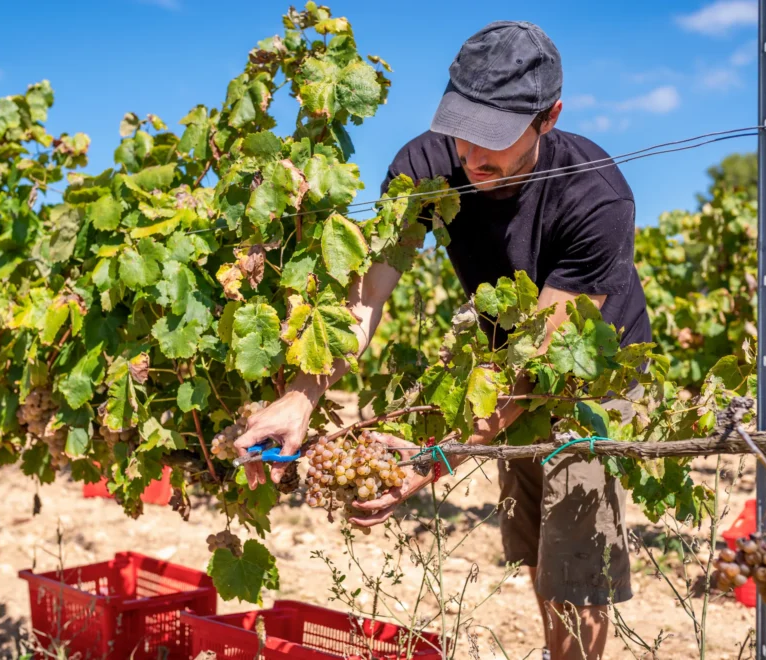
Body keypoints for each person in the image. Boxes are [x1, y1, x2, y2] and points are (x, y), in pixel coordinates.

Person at [233, 20, 651, 660]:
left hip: (585, 374)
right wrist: (301, 394)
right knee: (537, 535)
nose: (471, 155)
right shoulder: (426, 166)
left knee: (575, 552)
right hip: (499, 363)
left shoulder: (596, 197)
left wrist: (430, 462)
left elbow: (542, 366)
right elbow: (365, 297)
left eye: (494, 138)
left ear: (549, 117)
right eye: (462, 128)